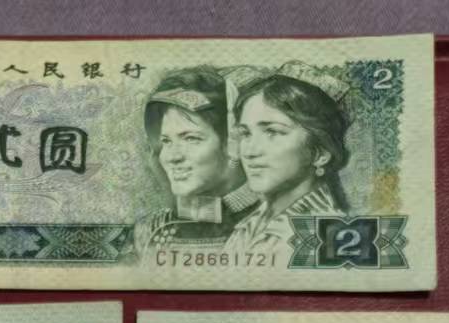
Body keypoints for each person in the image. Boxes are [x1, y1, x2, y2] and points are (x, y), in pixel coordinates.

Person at [223, 73, 349, 259]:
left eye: (272, 132)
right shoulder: (249, 225)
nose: (249, 151)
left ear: (320, 153)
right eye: (246, 134)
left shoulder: (330, 234)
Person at [133, 68, 257, 251]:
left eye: (191, 139)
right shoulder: (150, 231)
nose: (173, 157)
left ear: (232, 142)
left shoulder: (275, 225)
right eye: (166, 141)